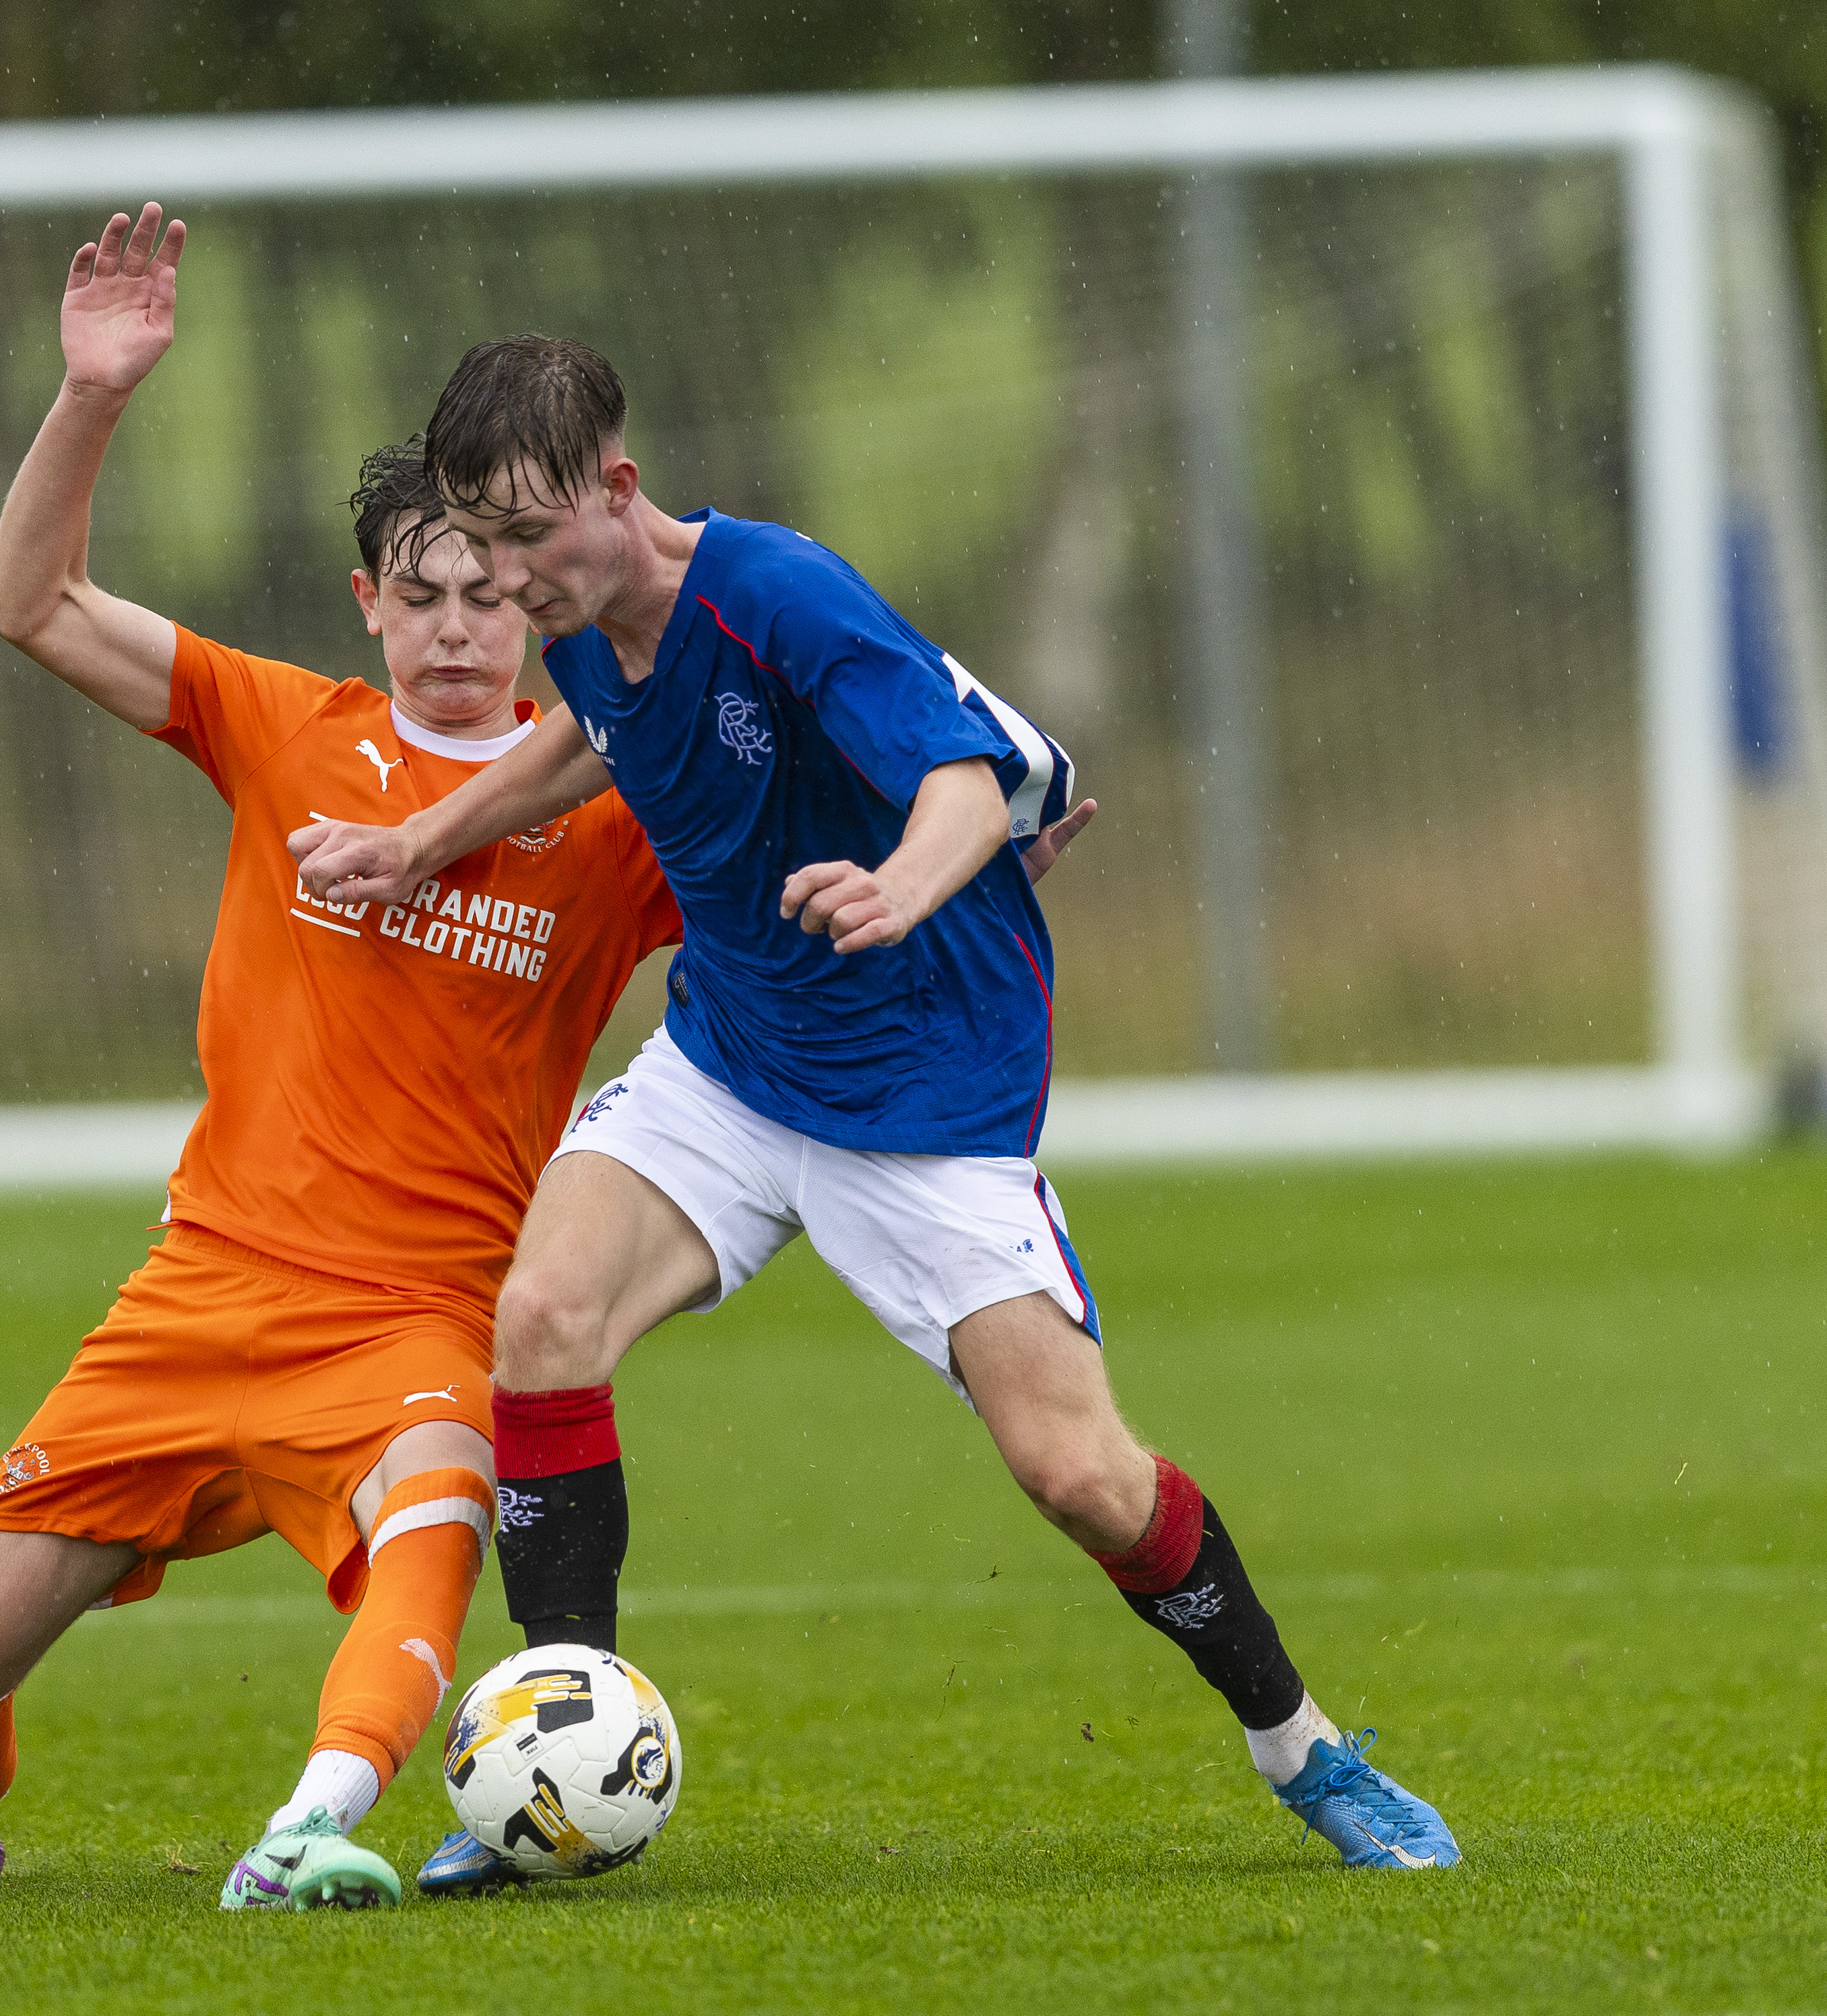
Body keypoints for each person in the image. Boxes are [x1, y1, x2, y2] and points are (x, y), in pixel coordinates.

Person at [292, 333, 1461, 1883]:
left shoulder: (776, 593)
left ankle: (1301, 1748)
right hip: (727, 1066)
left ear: (617, 490)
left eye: (523, 539)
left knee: (1079, 1477)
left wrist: (898, 891)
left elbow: (969, 781)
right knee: (542, 1323)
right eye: (480, 543)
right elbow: (589, 732)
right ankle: (551, 1770)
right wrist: (424, 839)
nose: (503, 584)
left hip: (923, 1097)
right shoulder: (574, 617)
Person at [0, 206, 686, 1910]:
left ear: (529, 603)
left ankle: (315, 1825)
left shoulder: (608, 810)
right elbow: (27, 599)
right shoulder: (280, 725)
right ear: (368, 602)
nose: (459, 628)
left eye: (488, 596)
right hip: (197, 1297)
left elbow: (786, 867)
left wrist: (956, 860)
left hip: (413, 1318)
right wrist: (92, 394)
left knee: (441, 1526)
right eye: (421, 595)